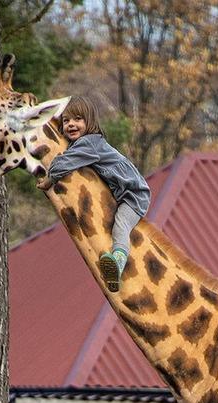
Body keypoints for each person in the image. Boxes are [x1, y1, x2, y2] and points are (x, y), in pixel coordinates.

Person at [39, 97, 150, 292]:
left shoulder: (90, 143)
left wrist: (49, 179)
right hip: (118, 192)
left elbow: (64, 163)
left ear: (89, 122)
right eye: (66, 121)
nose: (71, 124)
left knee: (120, 227)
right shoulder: (82, 145)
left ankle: (117, 263)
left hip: (133, 195)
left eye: (78, 119)